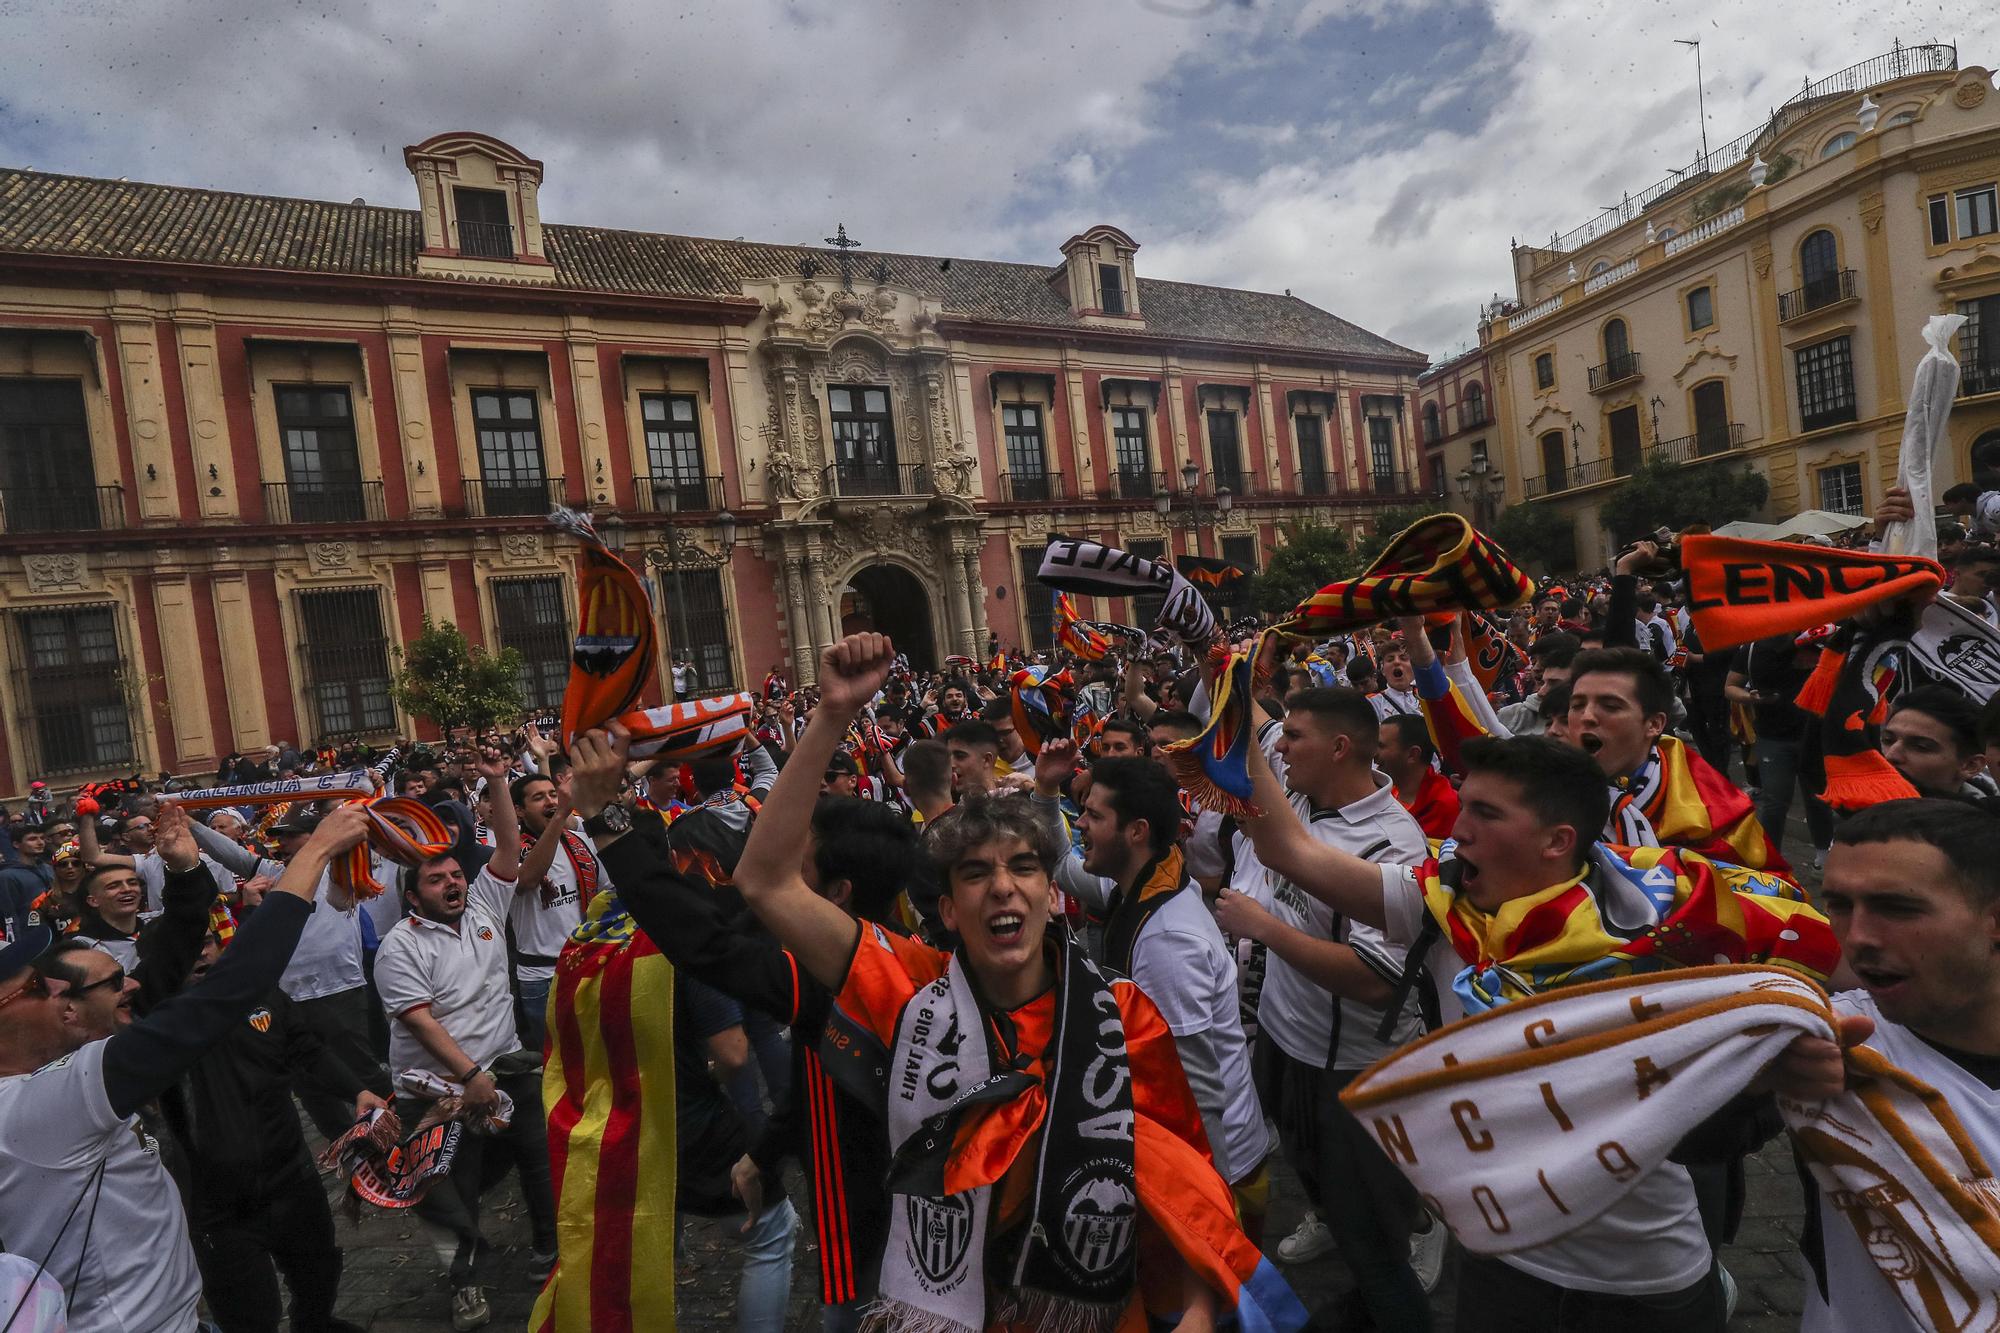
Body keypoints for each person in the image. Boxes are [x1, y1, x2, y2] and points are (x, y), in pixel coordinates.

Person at [730, 633, 1295, 1331]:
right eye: (975, 873)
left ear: (1052, 893)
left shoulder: (1121, 1014)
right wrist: (830, 716)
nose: (1003, 888)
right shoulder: (909, 990)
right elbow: (763, 881)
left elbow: (1184, 1189)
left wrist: (1201, 1311)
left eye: (1024, 868)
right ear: (946, 908)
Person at [1235, 732, 1840, 1333]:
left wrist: (1770, 1080)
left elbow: (1726, 1111)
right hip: (1502, 1259)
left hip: (1643, 1281)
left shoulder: (1654, 944)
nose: (1458, 828)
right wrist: (1243, 752)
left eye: (1486, 813)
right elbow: (1292, 852)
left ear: (1558, 840)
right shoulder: (1444, 906)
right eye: (1464, 803)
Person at [572, 731, 912, 1330]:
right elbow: (819, 1083)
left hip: (873, 1253)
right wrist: (764, 1152)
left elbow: (702, 939)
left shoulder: (843, 979)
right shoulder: (903, 954)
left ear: (837, 894)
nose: (781, 881)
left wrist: (606, 816)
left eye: (797, 871)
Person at [0, 804, 370, 1333]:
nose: (130, 985)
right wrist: (313, 853)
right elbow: (227, 990)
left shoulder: (51, 1076)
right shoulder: (47, 1102)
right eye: (39, 982)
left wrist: (183, 870)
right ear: (50, 1008)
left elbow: (166, 964)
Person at [1211, 687, 1442, 1330]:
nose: (1280, 749)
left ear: (1339, 748)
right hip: (1288, 1043)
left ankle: (1399, 1276)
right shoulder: (1307, 792)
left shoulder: (1393, 844)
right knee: (1309, 1174)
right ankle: (1338, 1218)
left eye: (1294, 737)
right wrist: (1217, 660)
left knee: (1373, 1250)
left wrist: (1266, 930)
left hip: (1353, 1073)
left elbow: (1376, 982)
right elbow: (1252, 732)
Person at [371, 773, 557, 1332]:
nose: (452, 883)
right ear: (412, 895)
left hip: (508, 1068)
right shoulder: (398, 947)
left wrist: (499, 780)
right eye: (436, 879)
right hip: (439, 1092)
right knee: (455, 1192)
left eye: (456, 874)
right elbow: (420, 1023)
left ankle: (550, 1253)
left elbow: (506, 847)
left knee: (540, 1160)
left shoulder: (482, 908)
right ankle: (464, 1284)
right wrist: (470, 1076)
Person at [1805, 799, 2000, 1330]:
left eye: (1897, 908)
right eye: (1840, 904)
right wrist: (1750, 1084)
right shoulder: (1819, 1041)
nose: (1858, 936)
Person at [1047, 752, 1270, 1215]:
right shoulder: (1144, 883)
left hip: (1215, 1165)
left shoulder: (1167, 939)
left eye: (1093, 815)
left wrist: (1206, 1198)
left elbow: (1194, 1082)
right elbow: (1064, 868)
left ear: (1136, 831)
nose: (1081, 825)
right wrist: (1045, 794)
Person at [1726, 632, 1835, 866]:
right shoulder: (1754, 648)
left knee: (1818, 799)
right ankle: (1768, 860)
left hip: (1815, 736)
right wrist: (1750, 698)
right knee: (1775, 800)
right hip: (1772, 737)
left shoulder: (1822, 639)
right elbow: (1731, 687)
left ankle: (1824, 857)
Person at [1878, 686, 1996, 805]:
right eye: (1887, 740)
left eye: (1921, 747)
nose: (1890, 756)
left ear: (1971, 766)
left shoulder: (1989, 821)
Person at [1378, 714, 1458, 840]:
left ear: (1412, 754)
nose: (1374, 754)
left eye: (1381, 746)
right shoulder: (1387, 793)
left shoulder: (1445, 805)